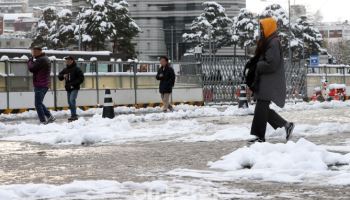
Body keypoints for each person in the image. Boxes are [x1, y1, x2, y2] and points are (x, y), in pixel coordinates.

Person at [249, 17, 295, 144]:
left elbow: (272, 63)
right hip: (266, 82)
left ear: (269, 28)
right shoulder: (269, 41)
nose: (261, 31)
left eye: (263, 28)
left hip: (269, 82)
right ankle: (286, 125)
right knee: (262, 109)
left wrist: (258, 65)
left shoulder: (273, 42)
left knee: (261, 108)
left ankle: (259, 136)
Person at [27, 46, 55, 124]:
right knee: (39, 103)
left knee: (37, 104)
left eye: (34, 52)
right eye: (32, 52)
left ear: (40, 51)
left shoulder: (41, 59)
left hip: (41, 84)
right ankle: (50, 116)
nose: (33, 53)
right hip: (43, 84)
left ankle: (43, 121)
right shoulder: (43, 58)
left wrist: (29, 61)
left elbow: (32, 68)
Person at [58, 56, 84, 122]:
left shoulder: (77, 69)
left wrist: (74, 84)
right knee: (69, 102)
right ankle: (73, 114)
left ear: (72, 61)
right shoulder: (66, 69)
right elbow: (59, 76)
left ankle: (74, 115)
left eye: (69, 60)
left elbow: (81, 78)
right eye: (66, 60)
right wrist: (63, 76)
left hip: (74, 88)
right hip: (68, 88)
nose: (67, 61)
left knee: (72, 100)